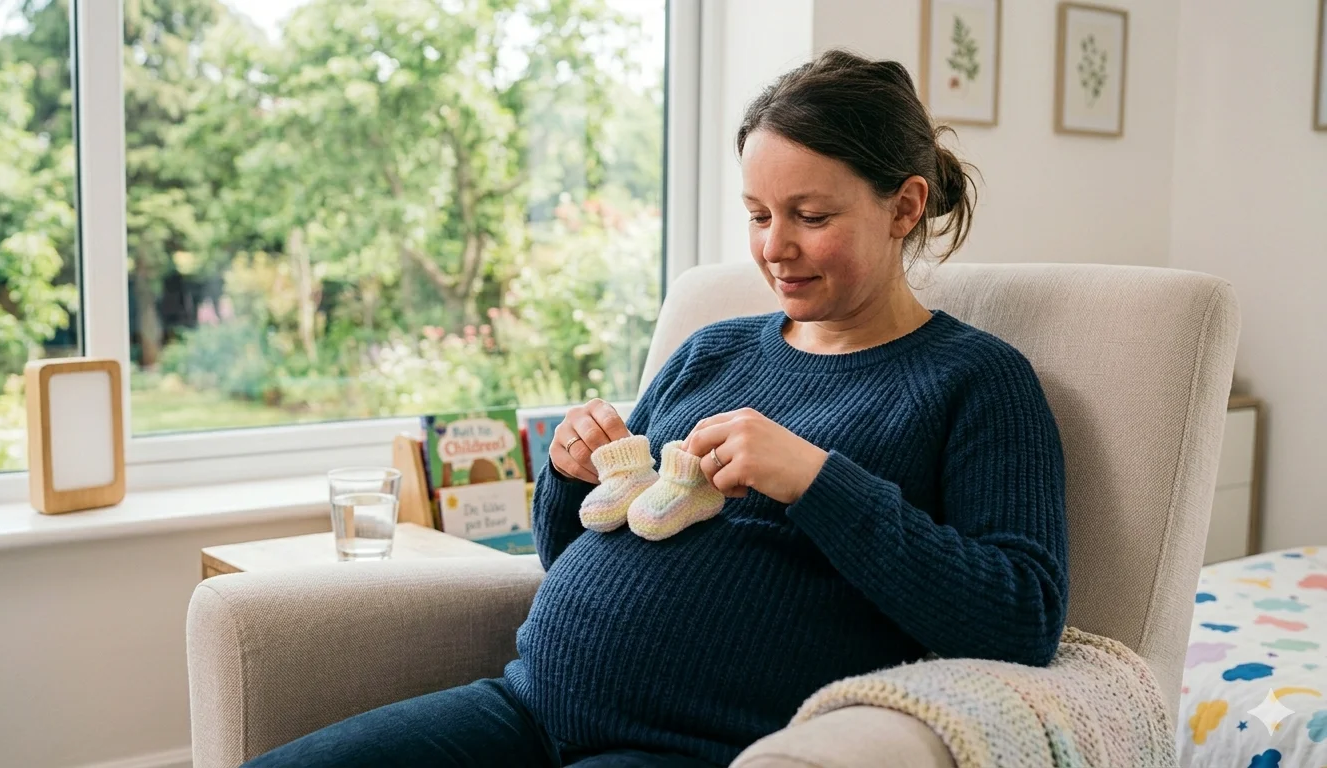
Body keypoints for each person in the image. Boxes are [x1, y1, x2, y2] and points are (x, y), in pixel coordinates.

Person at [245, 48, 1069, 768]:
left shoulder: (977, 382)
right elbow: (574, 548)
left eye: (810, 217)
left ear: (904, 206)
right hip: (523, 710)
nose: (774, 247)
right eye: (757, 215)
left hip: (689, 749)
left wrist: (816, 479)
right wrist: (571, 474)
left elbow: (1023, 618)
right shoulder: (715, 350)